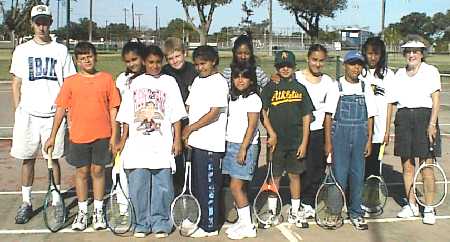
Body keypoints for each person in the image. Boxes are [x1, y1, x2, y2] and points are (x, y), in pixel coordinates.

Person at [10, 4, 76, 224]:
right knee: (27, 160)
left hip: (53, 116)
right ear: (32, 24)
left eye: (45, 21)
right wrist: (18, 108)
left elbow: (69, 84)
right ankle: (26, 203)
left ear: (50, 23)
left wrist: (67, 112)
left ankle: (57, 203)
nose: (41, 26)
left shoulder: (60, 50)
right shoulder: (22, 50)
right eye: (38, 22)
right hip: (28, 115)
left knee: (54, 159)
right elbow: (16, 82)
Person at [44, 42, 121, 231]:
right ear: (77, 61)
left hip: (102, 136)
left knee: (98, 171)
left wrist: (114, 136)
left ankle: (98, 211)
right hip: (78, 137)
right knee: (82, 173)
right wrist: (52, 136)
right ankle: (82, 211)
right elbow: (61, 109)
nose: (87, 60)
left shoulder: (106, 79)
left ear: (96, 57)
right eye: (82, 58)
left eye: (90, 56)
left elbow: (113, 109)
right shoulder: (70, 82)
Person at [116, 45, 186, 238]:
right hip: (138, 144)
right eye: (150, 62)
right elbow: (127, 115)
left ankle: (161, 221)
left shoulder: (169, 82)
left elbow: (176, 114)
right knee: (138, 185)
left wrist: (177, 139)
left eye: (158, 62)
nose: (155, 66)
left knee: (163, 185)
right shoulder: (135, 83)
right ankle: (141, 222)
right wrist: (122, 139)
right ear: (144, 63)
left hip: (162, 143)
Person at [385, 35, 441, 225]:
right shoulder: (399, 74)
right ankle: (411, 205)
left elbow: (435, 100)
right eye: (408, 51)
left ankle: (429, 207)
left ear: (422, 54)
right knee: (407, 167)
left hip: (424, 119)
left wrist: (432, 124)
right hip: (403, 119)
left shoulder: (431, 71)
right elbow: (392, 103)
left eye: (415, 51)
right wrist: (389, 127)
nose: (411, 54)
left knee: (427, 167)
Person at [261, 50, 314, 229]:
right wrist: (271, 133)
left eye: (288, 66)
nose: (285, 69)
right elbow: (263, 112)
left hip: (295, 141)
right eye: (281, 66)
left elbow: (307, 116)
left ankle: (295, 210)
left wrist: (304, 142)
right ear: (276, 67)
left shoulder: (300, 89)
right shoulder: (270, 87)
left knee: (294, 176)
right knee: (274, 177)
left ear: (294, 67)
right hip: (276, 143)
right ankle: (272, 211)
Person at [324, 50, 376, 230]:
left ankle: (356, 212)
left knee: (357, 175)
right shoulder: (336, 86)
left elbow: (370, 116)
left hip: (360, 134)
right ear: (345, 65)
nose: (356, 68)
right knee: (338, 175)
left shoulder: (365, 87)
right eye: (352, 64)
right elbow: (329, 116)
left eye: (359, 64)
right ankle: (334, 212)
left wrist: (369, 139)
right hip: (340, 135)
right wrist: (328, 142)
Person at [182, 45, 228, 238]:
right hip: (197, 142)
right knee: (198, 185)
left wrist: (190, 129)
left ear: (214, 61)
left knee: (209, 187)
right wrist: (187, 135)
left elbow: (214, 113)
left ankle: (210, 226)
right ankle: (200, 219)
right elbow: (190, 108)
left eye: (204, 63)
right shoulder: (198, 80)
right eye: (197, 64)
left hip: (210, 144)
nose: (200, 67)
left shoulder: (219, 82)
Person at [222, 63, 261, 239]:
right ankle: (243, 221)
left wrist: (243, 149)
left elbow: (252, 126)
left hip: (244, 147)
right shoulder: (232, 97)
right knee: (237, 186)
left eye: (244, 77)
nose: (240, 80)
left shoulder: (253, 98)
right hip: (230, 145)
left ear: (251, 80)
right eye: (236, 76)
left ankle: (248, 226)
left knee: (235, 186)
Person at [295, 44, 334, 219]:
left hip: (317, 132)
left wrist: (328, 142)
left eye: (321, 61)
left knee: (316, 170)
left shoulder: (328, 82)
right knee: (299, 169)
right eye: (314, 60)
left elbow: (328, 114)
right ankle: (298, 200)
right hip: (297, 132)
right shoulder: (296, 78)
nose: (317, 64)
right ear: (307, 58)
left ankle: (308, 202)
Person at [360, 37, 395, 215]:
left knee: (374, 169)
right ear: (365, 53)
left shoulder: (389, 75)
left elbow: (390, 104)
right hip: (360, 130)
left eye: (376, 54)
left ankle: (370, 200)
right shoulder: (360, 71)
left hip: (379, 132)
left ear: (381, 55)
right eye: (370, 53)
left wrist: (387, 131)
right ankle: (355, 200)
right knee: (359, 167)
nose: (373, 57)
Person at [114, 40, 146, 219]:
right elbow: (119, 109)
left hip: (146, 133)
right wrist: (118, 136)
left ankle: (141, 204)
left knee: (142, 171)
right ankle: (124, 207)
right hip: (125, 133)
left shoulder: (150, 77)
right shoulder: (121, 79)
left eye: (135, 59)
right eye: (127, 61)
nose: (131, 64)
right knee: (120, 171)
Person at [162, 37, 198, 191]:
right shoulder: (164, 73)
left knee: (193, 159)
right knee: (176, 159)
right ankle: (177, 190)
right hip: (172, 123)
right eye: (170, 58)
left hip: (193, 121)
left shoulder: (194, 70)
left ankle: (193, 190)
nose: (175, 61)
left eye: (177, 56)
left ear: (184, 53)